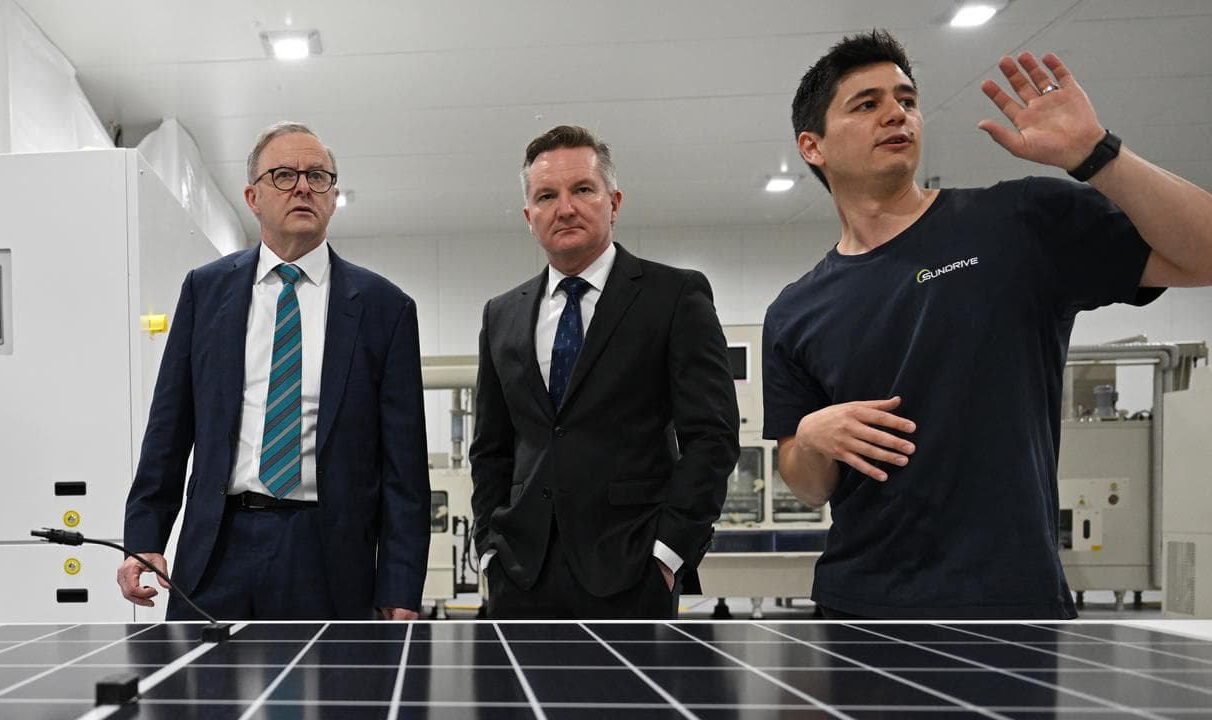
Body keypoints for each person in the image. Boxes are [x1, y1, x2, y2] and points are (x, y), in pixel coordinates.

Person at [764, 30, 1212, 619]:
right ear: (812, 146)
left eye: (906, 99)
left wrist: (1097, 154)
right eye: (866, 103)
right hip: (860, 606)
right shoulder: (796, 310)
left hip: (1010, 602)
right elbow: (807, 482)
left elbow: (1202, 255)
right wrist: (815, 437)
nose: (897, 113)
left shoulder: (1017, 222)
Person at [117, 122, 430, 620]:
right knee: (201, 695)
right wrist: (144, 537)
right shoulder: (206, 291)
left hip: (327, 555)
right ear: (253, 196)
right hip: (219, 547)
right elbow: (169, 430)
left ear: (333, 195)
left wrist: (400, 585)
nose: (303, 186)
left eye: (318, 176)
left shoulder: (384, 308)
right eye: (284, 175)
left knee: (333, 698)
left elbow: (404, 468)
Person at [470, 125, 740, 619]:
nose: (565, 207)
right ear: (530, 217)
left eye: (583, 190)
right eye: (547, 196)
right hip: (520, 573)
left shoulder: (674, 296)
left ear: (614, 202)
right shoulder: (501, 314)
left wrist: (669, 552)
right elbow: (491, 448)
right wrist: (489, 547)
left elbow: (712, 437)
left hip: (633, 570)